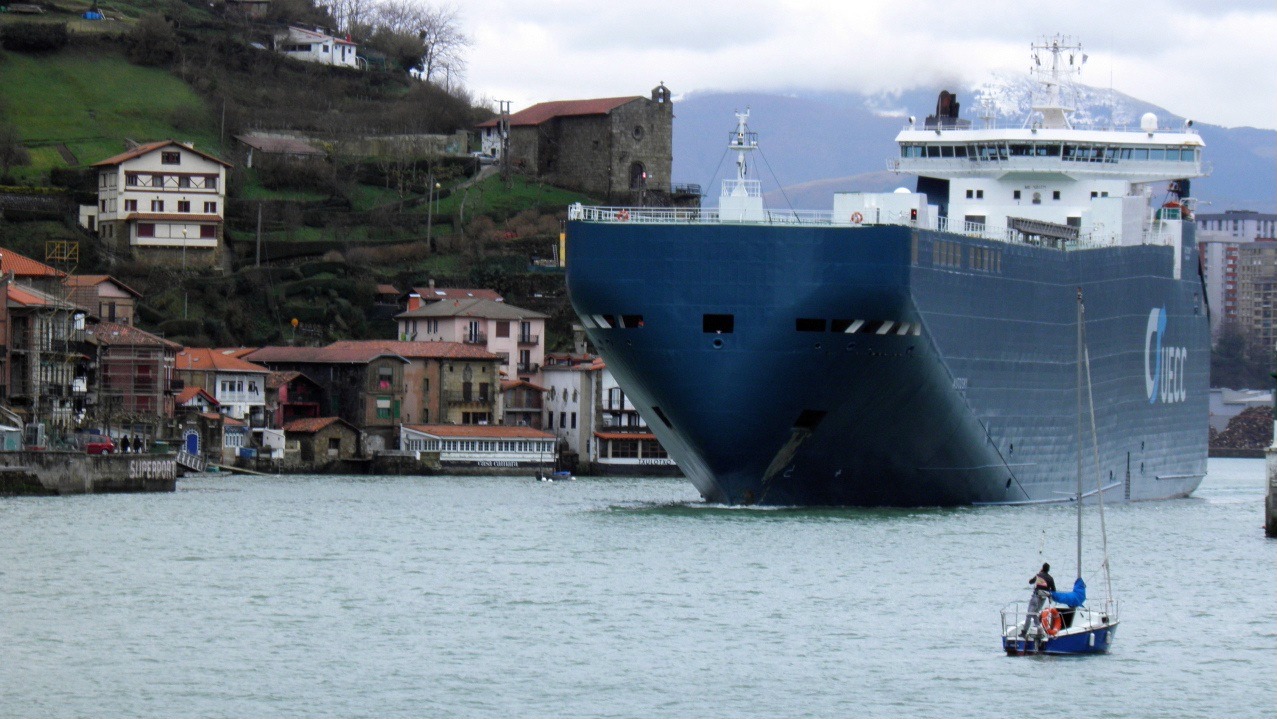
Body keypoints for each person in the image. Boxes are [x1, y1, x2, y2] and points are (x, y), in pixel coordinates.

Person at [1022, 562, 1056, 637]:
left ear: (1042, 568)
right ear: (1048, 570)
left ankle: (1024, 631)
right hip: (1043, 598)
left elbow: (1030, 582)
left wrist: (1039, 573)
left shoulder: (1039, 575)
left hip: (1035, 597)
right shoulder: (1050, 578)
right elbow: (1054, 590)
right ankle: (1039, 628)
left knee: (1030, 613)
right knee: (1036, 612)